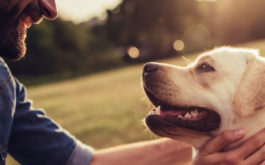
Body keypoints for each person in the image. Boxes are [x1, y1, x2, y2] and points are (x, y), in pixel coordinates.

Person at [1, 0, 265, 165]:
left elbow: (82, 162)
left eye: (205, 68)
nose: (50, 8)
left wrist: (216, 144)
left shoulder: (5, 88)